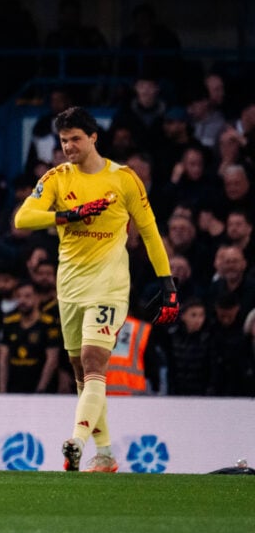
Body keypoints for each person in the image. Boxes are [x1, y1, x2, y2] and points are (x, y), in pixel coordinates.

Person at [14, 106, 177, 473]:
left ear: (93, 137)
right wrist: (69, 215)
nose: (69, 147)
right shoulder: (57, 178)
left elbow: (150, 233)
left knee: (92, 360)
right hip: (70, 287)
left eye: (75, 139)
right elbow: (23, 218)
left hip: (109, 286)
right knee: (81, 372)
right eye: (63, 141)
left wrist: (167, 283)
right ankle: (104, 454)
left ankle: (76, 441)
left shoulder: (124, 179)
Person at [0, 281, 61, 394]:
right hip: (14, 387)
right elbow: (3, 359)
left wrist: (40, 390)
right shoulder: (9, 322)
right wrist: (2, 390)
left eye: (27, 296)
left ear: (37, 298)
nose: (22, 300)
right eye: (19, 296)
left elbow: (52, 359)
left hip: (42, 389)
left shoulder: (49, 324)